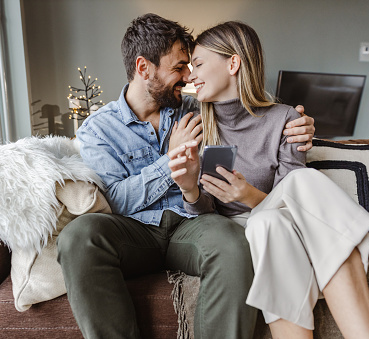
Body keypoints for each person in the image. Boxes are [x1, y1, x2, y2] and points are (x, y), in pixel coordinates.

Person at [57, 14, 315, 339]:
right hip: (134, 231)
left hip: (193, 223)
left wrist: (296, 123)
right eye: (179, 67)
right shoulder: (98, 129)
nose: (188, 75)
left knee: (234, 246)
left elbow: (249, 110)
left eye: (191, 66)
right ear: (143, 68)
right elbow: (116, 201)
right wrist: (170, 161)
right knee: (78, 236)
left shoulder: (196, 107)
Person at [168, 21, 369, 339]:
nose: (190, 75)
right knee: (289, 197)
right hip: (237, 233)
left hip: (281, 224)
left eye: (198, 63)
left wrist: (247, 194)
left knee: (276, 213)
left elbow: (290, 202)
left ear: (233, 62)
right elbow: (205, 218)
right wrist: (188, 186)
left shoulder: (286, 119)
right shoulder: (197, 126)